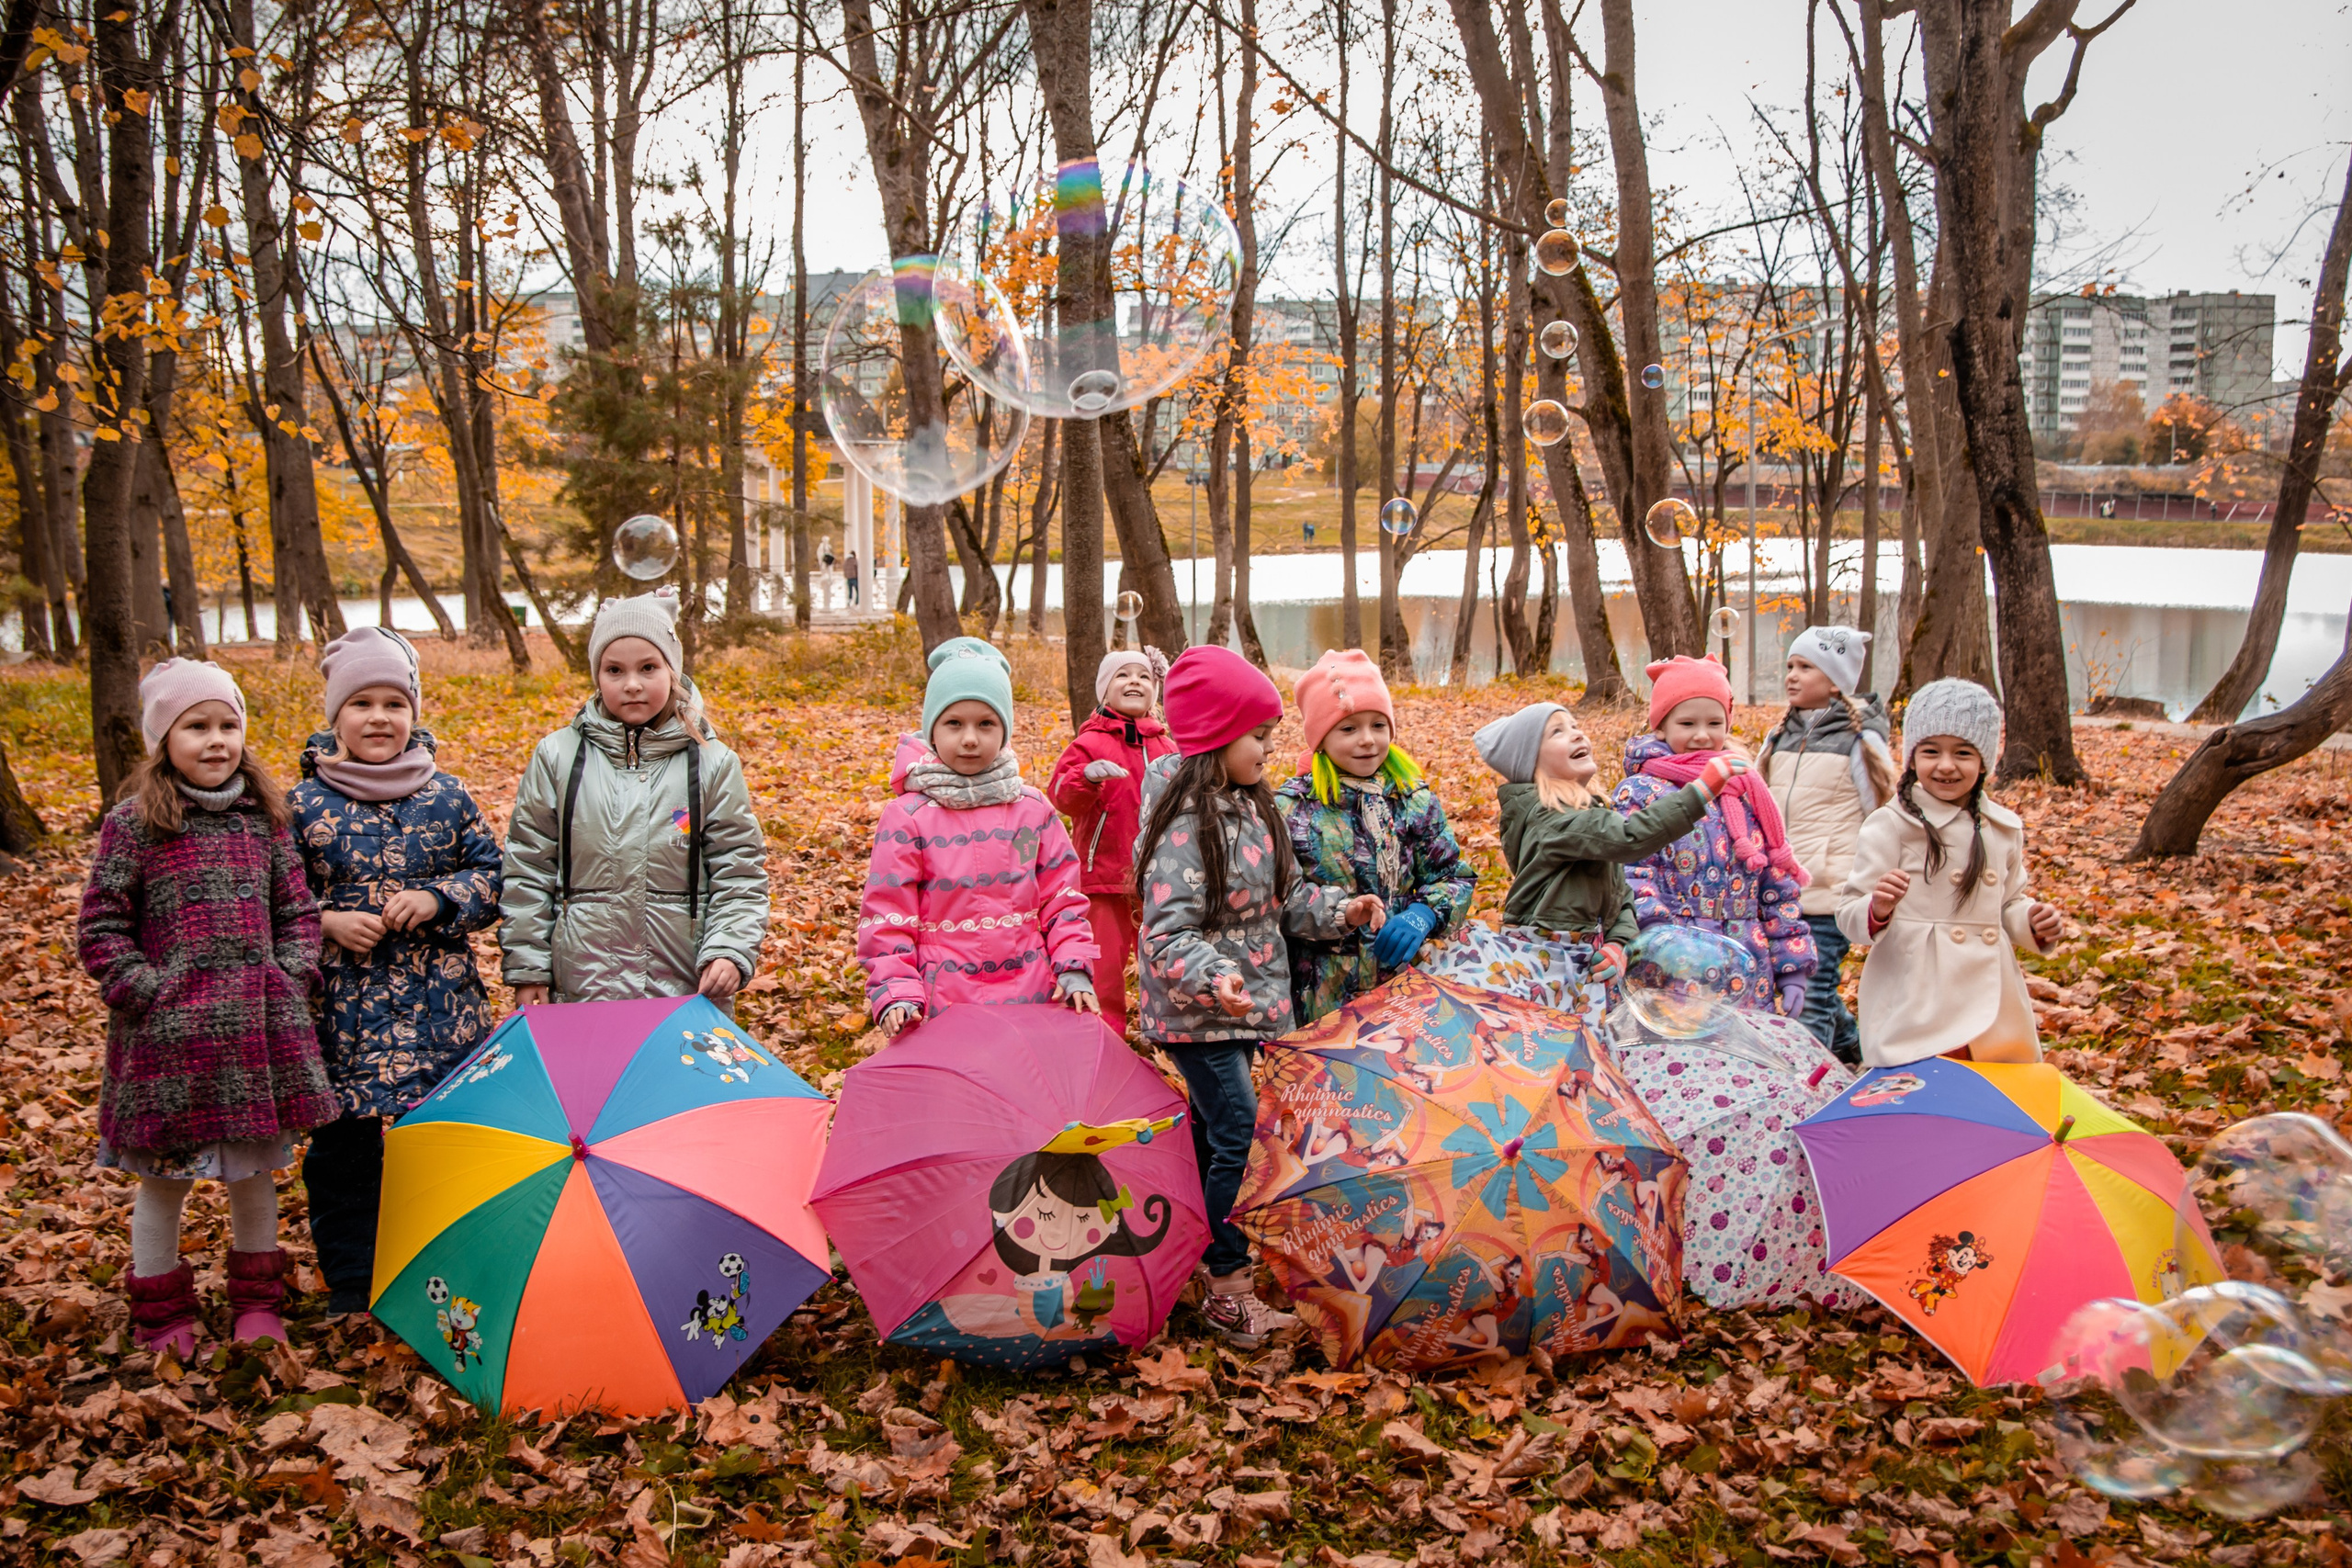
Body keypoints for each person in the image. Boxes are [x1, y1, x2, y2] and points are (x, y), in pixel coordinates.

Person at [78, 660, 337, 1358]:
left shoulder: (265, 819)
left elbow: (297, 909)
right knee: (164, 1183)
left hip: (257, 1036)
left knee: (253, 1179)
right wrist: (142, 988)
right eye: (197, 725)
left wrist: (292, 972)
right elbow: (101, 924)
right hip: (170, 1042)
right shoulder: (134, 824)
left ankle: (258, 1302)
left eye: (228, 724)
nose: (216, 739)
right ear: (165, 738)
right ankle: (162, 1309)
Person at [1134, 646, 1381, 1347]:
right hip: (1196, 1010)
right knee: (1239, 1127)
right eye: (1258, 736)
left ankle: (1199, 1251)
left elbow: (1290, 901)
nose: (1271, 748)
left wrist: (1342, 911)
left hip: (1250, 1005)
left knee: (1216, 1133)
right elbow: (1166, 931)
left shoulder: (1255, 807)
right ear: (1215, 739)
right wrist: (1217, 976)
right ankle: (1226, 1283)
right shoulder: (1184, 824)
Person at [289, 627, 503, 1319]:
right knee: (343, 1155)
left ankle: (437, 1260)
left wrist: (440, 898)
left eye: (393, 702)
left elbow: (493, 876)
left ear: (414, 712)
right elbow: (275, 897)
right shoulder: (302, 806)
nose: (378, 718)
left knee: (437, 1143)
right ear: (335, 717)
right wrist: (325, 921)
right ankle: (353, 1279)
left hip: (441, 1008)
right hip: (342, 1016)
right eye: (360, 703)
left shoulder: (445, 795)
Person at [501, 591, 770, 1004]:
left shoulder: (712, 763)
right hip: (581, 984)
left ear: (672, 671)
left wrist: (730, 950)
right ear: (597, 675)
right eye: (614, 670)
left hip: (682, 983)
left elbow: (739, 873)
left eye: (648, 668)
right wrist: (529, 966)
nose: (631, 685)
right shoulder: (557, 757)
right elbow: (529, 868)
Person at [1420, 702, 1745, 1027]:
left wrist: (1618, 943)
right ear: (1531, 762)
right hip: (1543, 965)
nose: (1576, 735)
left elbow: (1622, 897)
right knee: (1544, 1053)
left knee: (1581, 1059)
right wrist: (1701, 790)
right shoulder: (1547, 818)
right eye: (1557, 732)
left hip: (1583, 968)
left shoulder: (1588, 815)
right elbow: (1629, 837)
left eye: (1575, 726)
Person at [858, 637, 1100, 1033]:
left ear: (1003, 731)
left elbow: (1061, 897)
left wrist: (1073, 965)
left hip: (1034, 993)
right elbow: (888, 913)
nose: (970, 738)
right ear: (932, 730)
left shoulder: (1032, 810)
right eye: (954, 723)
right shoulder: (908, 817)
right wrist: (895, 987)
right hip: (941, 1001)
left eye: (986, 723)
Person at [1835, 679, 2063, 1066]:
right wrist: (1878, 908)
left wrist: (2032, 921)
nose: (1945, 765)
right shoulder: (1891, 824)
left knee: (1991, 1091)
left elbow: (2009, 903)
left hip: (1989, 997)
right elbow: (1849, 914)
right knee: (1921, 1088)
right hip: (1918, 994)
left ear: (1984, 761)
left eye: (1963, 753)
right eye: (1931, 751)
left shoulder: (2002, 828)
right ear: (1911, 757)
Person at [1273, 649, 1476, 1022]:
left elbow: (1454, 876)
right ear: (1320, 738)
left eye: (1378, 726)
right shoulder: (1292, 809)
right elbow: (1280, 899)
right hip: (1323, 993)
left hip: (1405, 985)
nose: (1367, 740)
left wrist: (1424, 913)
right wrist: (1342, 913)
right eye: (1349, 728)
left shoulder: (1413, 799)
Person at [1613, 655, 1816, 1020]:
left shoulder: (1745, 788)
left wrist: (1792, 966)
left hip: (1747, 962)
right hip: (1674, 962)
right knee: (1677, 1057)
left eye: (1714, 722)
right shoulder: (1642, 792)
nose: (1702, 735)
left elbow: (1776, 885)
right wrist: (1660, 939)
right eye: (1687, 723)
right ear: (1660, 727)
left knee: (1740, 1061)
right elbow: (1629, 869)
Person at [1758, 628, 1897, 1065]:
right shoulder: (1779, 736)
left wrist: (1873, 881)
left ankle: (1808, 1091)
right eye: (1790, 667)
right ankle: (1851, 1045)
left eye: (1805, 667)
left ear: (1835, 681)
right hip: (1779, 890)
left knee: (1812, 994)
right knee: (1800, 984)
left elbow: (1883, 812)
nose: (1792, 677)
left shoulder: (1859, 741)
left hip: (1830, 891)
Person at [1046, 648, 1176, 1032]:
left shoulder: (1167, 747)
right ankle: (1106, 1035)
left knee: (1164, 959)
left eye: (1143, 677)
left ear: (1155, 692)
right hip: (1103, 876)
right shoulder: (1089, 743)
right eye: (1123, 675)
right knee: (1104, 967)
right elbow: (1062, 796)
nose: (1134, 681)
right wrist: (1085, 777)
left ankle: (1168, 1032)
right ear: (1104, 691)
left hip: (1160, 877)